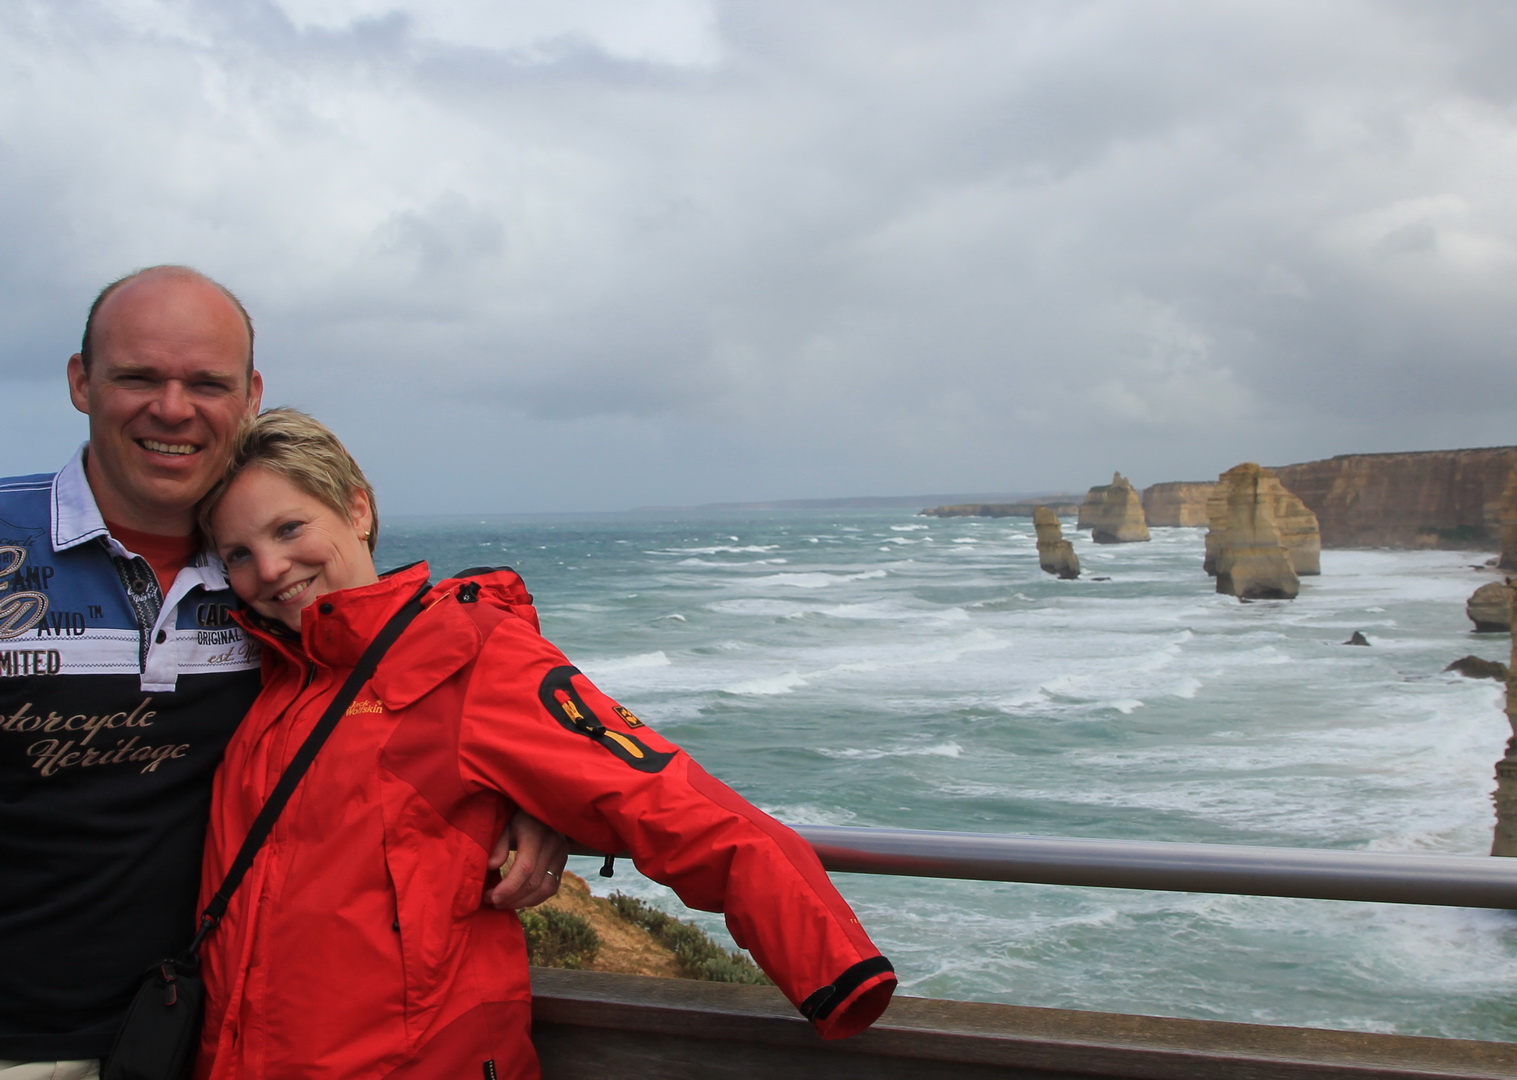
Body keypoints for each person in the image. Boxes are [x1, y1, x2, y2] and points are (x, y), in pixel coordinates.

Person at [193, 408, 895, 1078]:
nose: (271, 568)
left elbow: (660, 796)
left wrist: (834, 970)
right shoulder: (269, 681)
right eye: (240, 554)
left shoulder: (467, 659)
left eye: (290, 528)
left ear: (357, 510)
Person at [0, 268, 567, 1080]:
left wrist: (531, 784)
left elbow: (434, 642)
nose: (172, 408)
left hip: (197, 1037)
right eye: (138, 377)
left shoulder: (265, 572)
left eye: (206, 383)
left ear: (250, 396)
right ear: (81, 382)